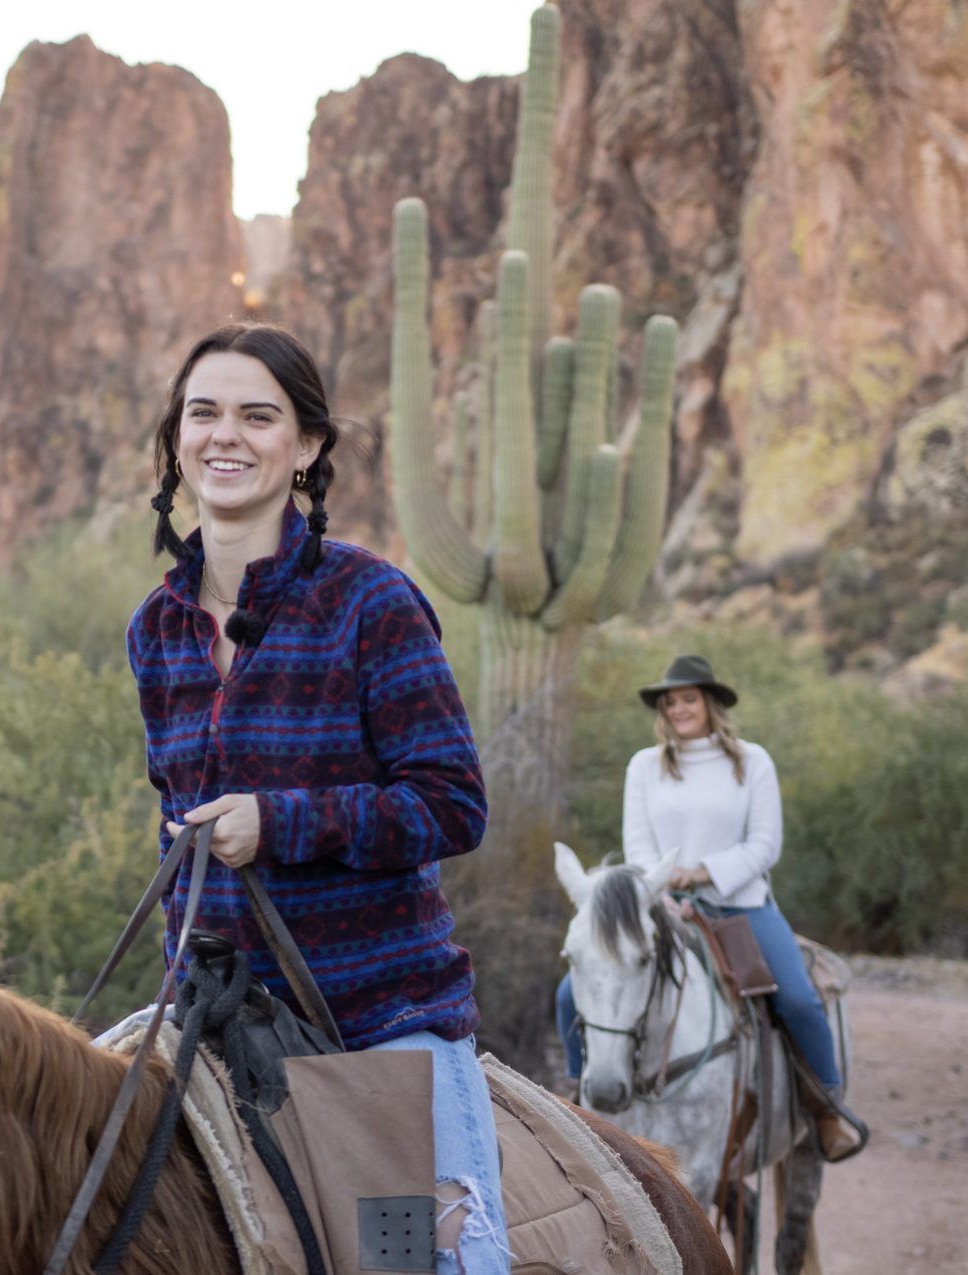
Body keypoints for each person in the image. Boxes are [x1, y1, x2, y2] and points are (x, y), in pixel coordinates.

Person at [126, 321, 509, 1272]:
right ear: (177, 437)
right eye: (203, 412)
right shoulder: (156, 627)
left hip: (375, 1018)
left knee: (439, 1268)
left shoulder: (369, 602)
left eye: (260, 415)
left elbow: (452, 803)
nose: (226, 435)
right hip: (211, 1016)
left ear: (305, 448)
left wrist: (279, 823)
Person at [554, 654, 867, 1163]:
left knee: (799, 999)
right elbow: (637, 844)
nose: (679, 709)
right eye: (670, 702)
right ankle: (579, 1098)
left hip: (740, 906)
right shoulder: (644, 766)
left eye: (688, 699)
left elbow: (765, 845)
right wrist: (660, 892)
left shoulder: (752, 760)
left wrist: (701, 874)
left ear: (710, 704)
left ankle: (826, 1108)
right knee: (571, 992)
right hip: (662, 907)